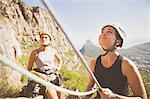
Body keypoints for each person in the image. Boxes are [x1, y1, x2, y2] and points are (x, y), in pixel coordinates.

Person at [83, 24, 147, 99]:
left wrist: (115, 97)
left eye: (109, 32)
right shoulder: (93, 63)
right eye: (102, 31)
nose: (103, 33)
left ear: (118, 42)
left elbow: (142, 97)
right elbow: (90, 85)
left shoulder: (127, 65)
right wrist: (85, 96)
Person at [27, 32, 63, 99]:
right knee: (54, 98)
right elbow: (29, 70)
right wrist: (39, 75)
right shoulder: (35, 53)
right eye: (42, 37)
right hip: (45, 78)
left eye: (46, 37)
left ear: (49, 40)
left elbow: (60, 60)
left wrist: (58, 68)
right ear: (40, 40)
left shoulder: (53, 51)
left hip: (55, 76)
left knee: (61, 97)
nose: (44, 39)